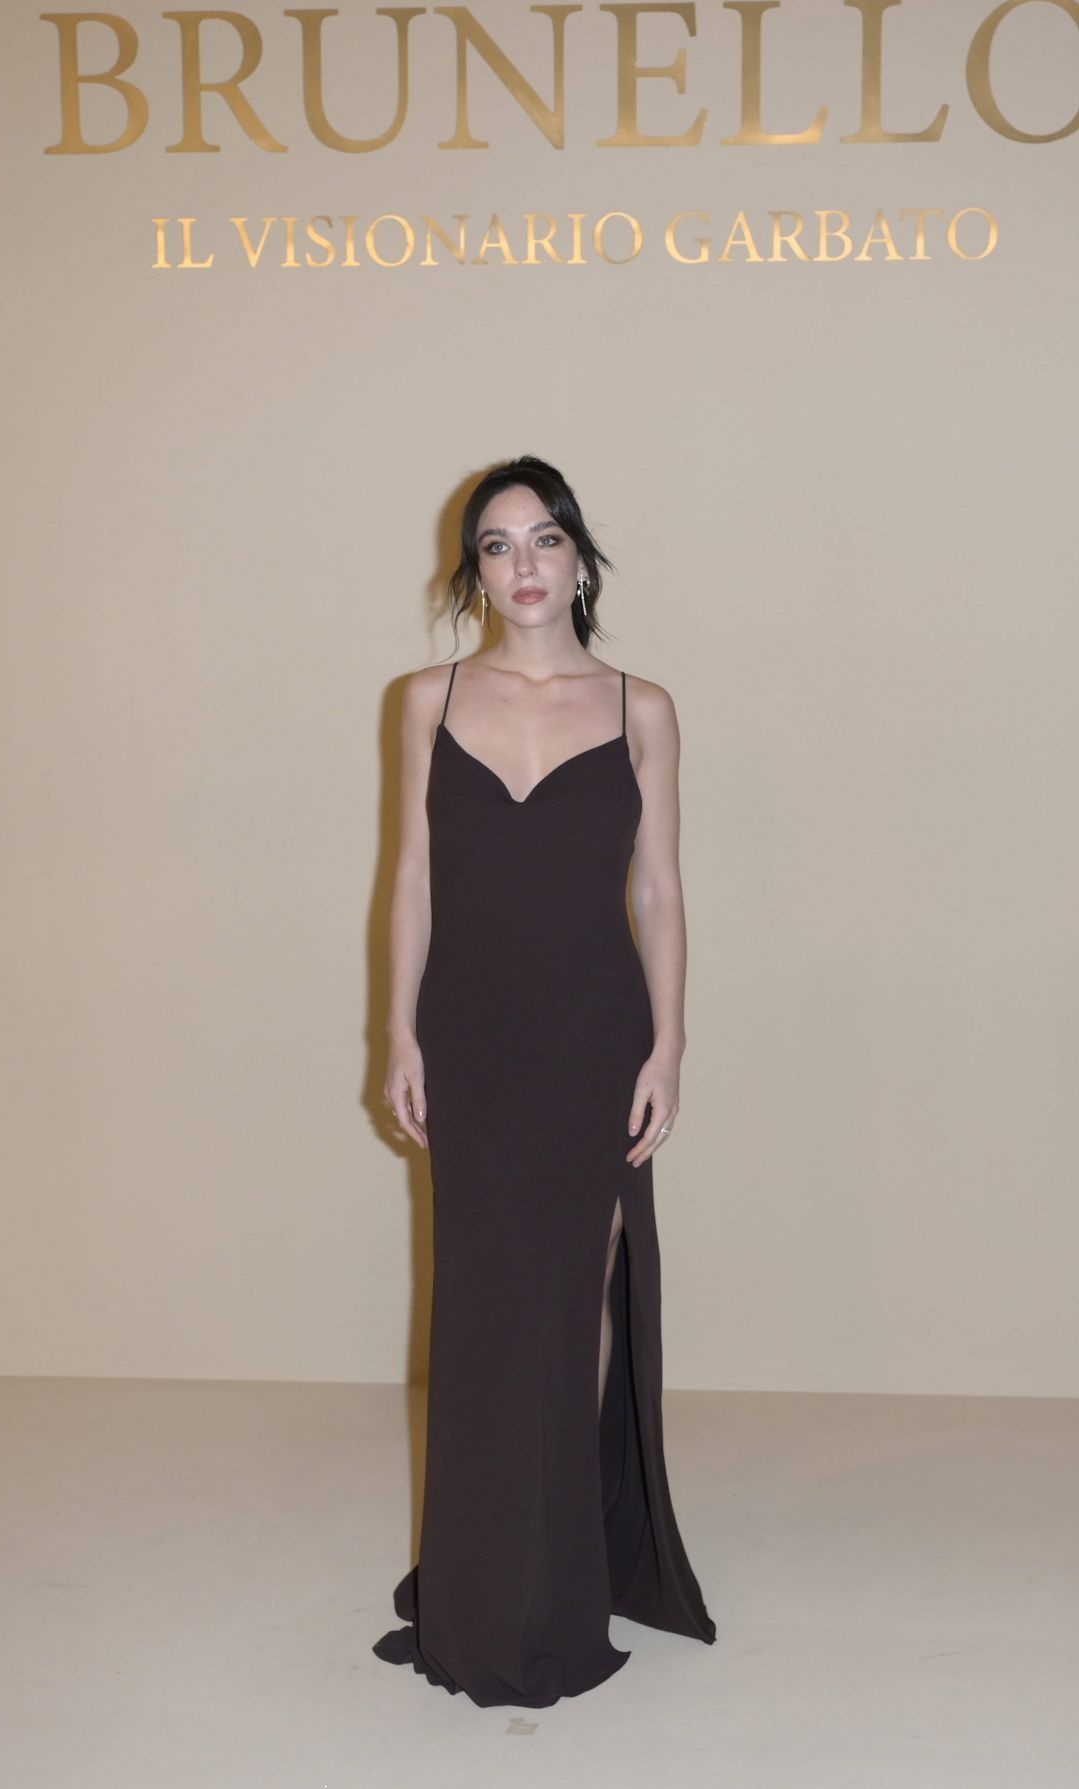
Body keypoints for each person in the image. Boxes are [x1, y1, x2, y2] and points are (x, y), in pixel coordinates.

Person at [372, 455, 715, 1708]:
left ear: (579, 559)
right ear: (474, 571)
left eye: (545, 539)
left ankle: (564, 1568)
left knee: (577, 1304)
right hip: (470, 1036)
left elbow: (659, 890)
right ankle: (479, 1581)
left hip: (593, 1037)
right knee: (480, 1305)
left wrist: (668, 1044)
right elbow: (412, 878)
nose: (523, 564)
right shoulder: (426, 699)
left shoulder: (642, 707)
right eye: (498, 544)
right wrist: (397, 1034)